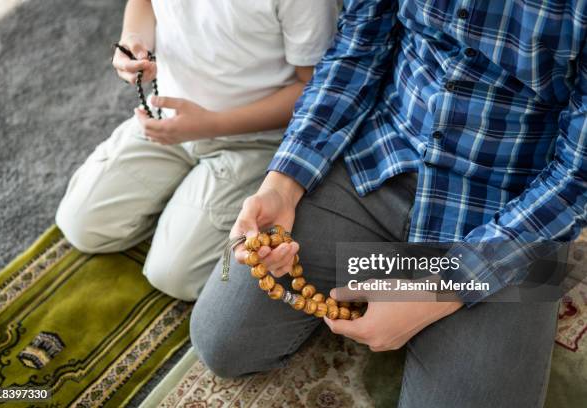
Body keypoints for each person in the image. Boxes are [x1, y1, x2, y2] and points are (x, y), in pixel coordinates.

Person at [190, 0, 587, 406]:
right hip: (381, 155)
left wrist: (440, 291)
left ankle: (411, 287)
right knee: (222, 341)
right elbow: (357, 49)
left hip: (512, 203)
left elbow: (580, 176)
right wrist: (283, 184)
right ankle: (392, 273)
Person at [55, 0, 338, 300]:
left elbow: (317, 90)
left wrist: (211, 125)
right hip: (167, 119)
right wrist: (133, 41)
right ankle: (180, 208)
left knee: (174, 275)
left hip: (252, 139)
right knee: (80, 224)